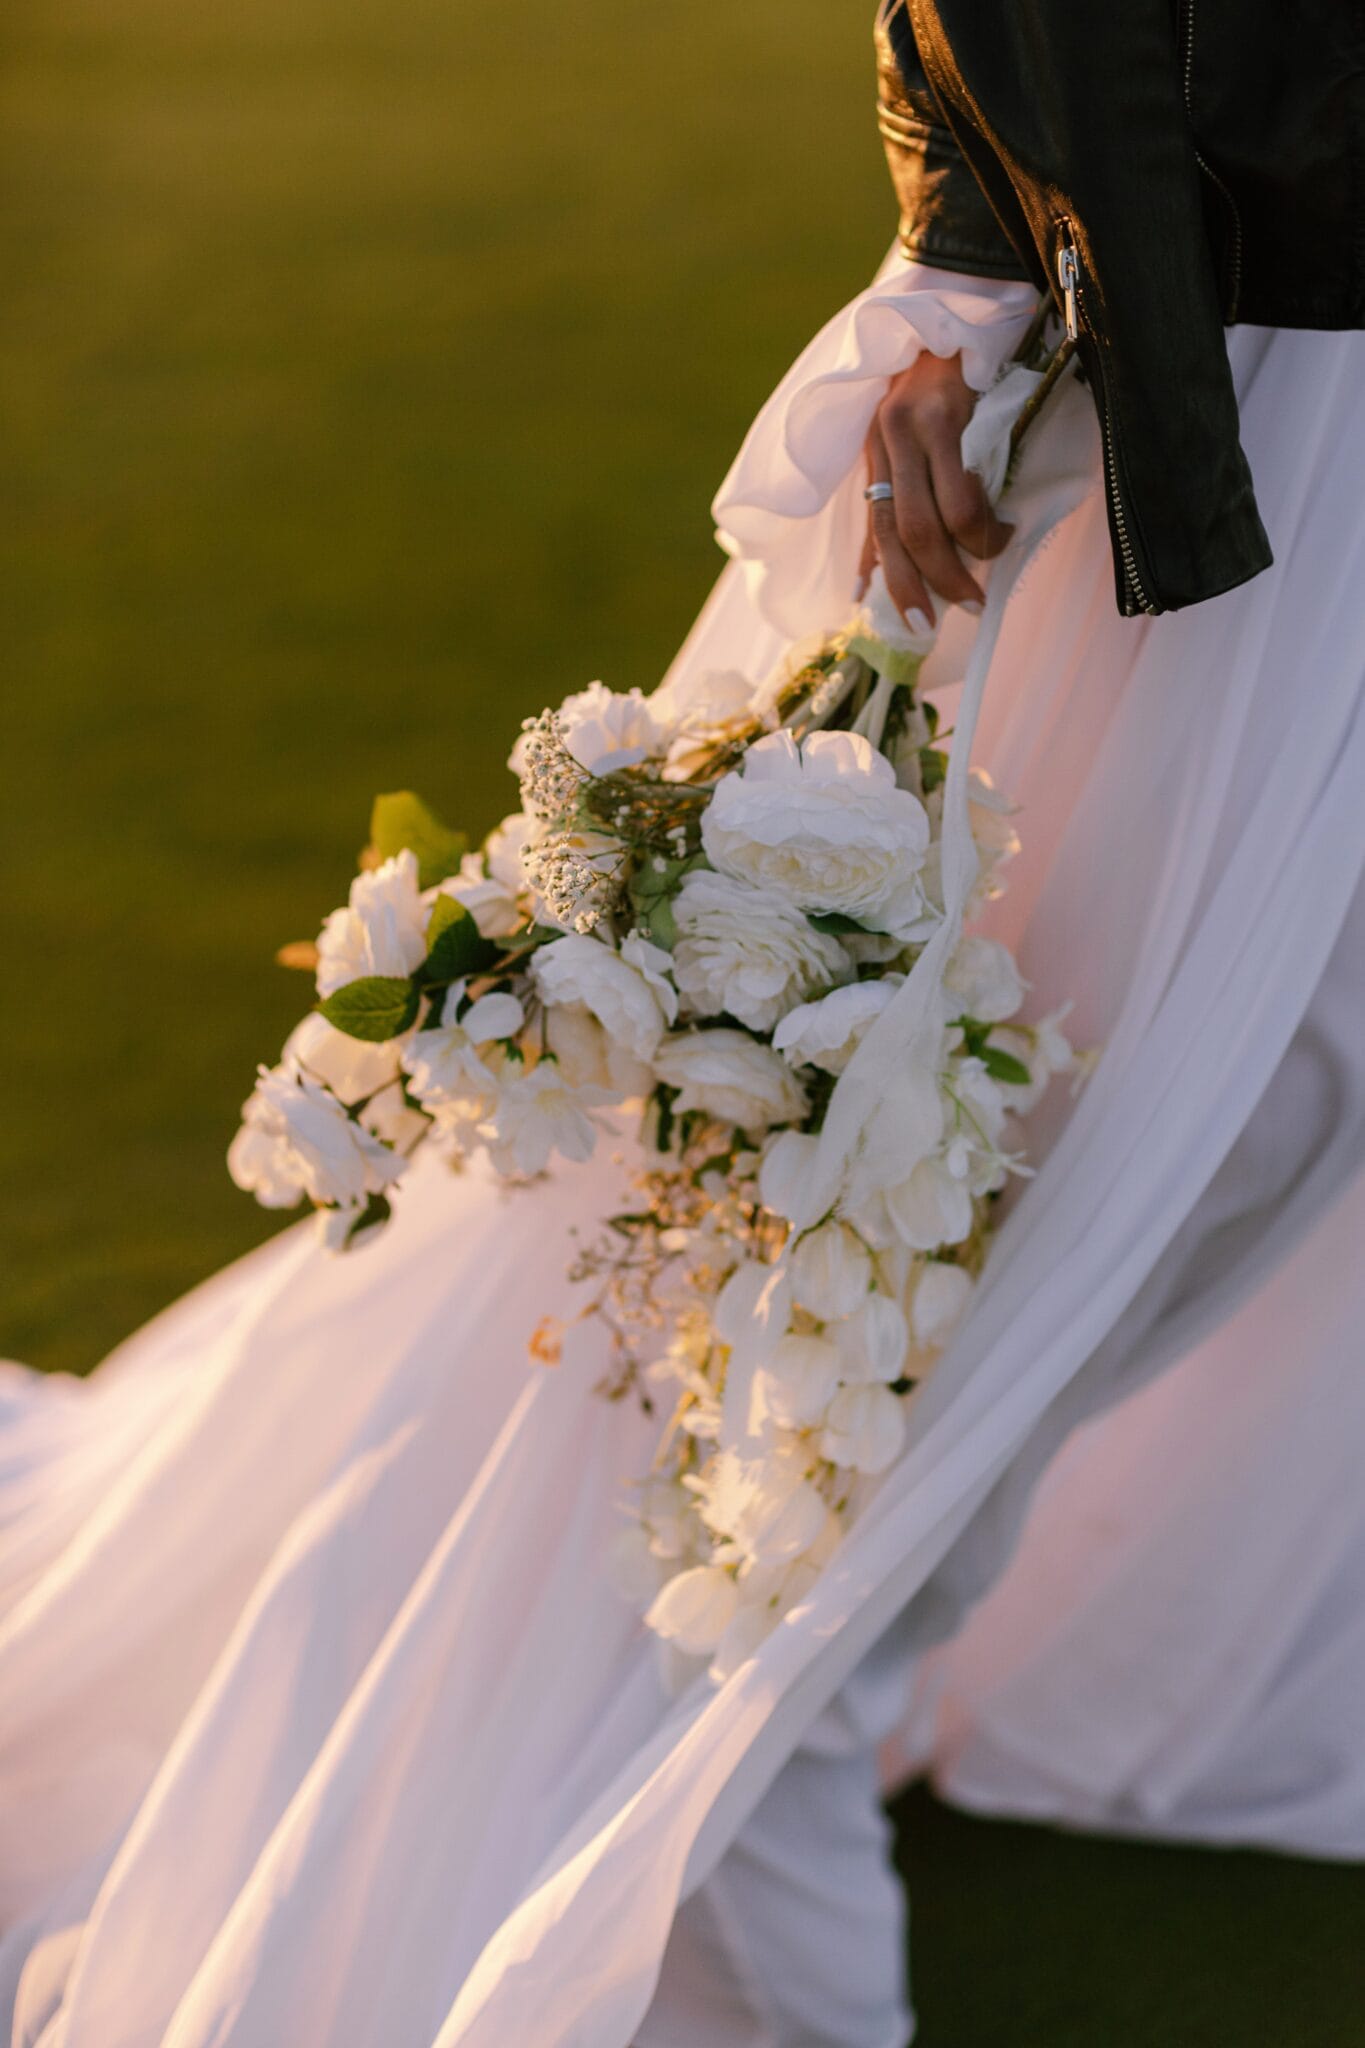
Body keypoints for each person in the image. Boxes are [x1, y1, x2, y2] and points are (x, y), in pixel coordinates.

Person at [0, 8, 1361, 2046]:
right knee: (908, 1280)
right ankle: (717, 1812)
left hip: (1261, 430)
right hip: (1188, 458)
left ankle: (820, 1669)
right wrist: (968, 273)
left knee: (1164, 1173)